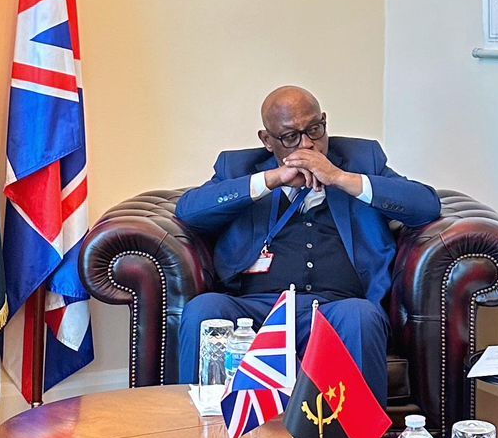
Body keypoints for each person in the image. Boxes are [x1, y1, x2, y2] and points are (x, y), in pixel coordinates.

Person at [175, 86, 442, 403]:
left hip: (338, 308)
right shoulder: (237, 167)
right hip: (257, 308)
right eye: (290, 136)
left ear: (324, 121)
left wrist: (341, 178)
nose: (307, 144)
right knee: (204, 311)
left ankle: (360, 435)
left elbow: (426, 205)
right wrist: (271, 180)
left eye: (315, 129)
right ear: (267, 140)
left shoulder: (363, 159)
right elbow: (189, 212)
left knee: (361, 316)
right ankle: (197, 428)